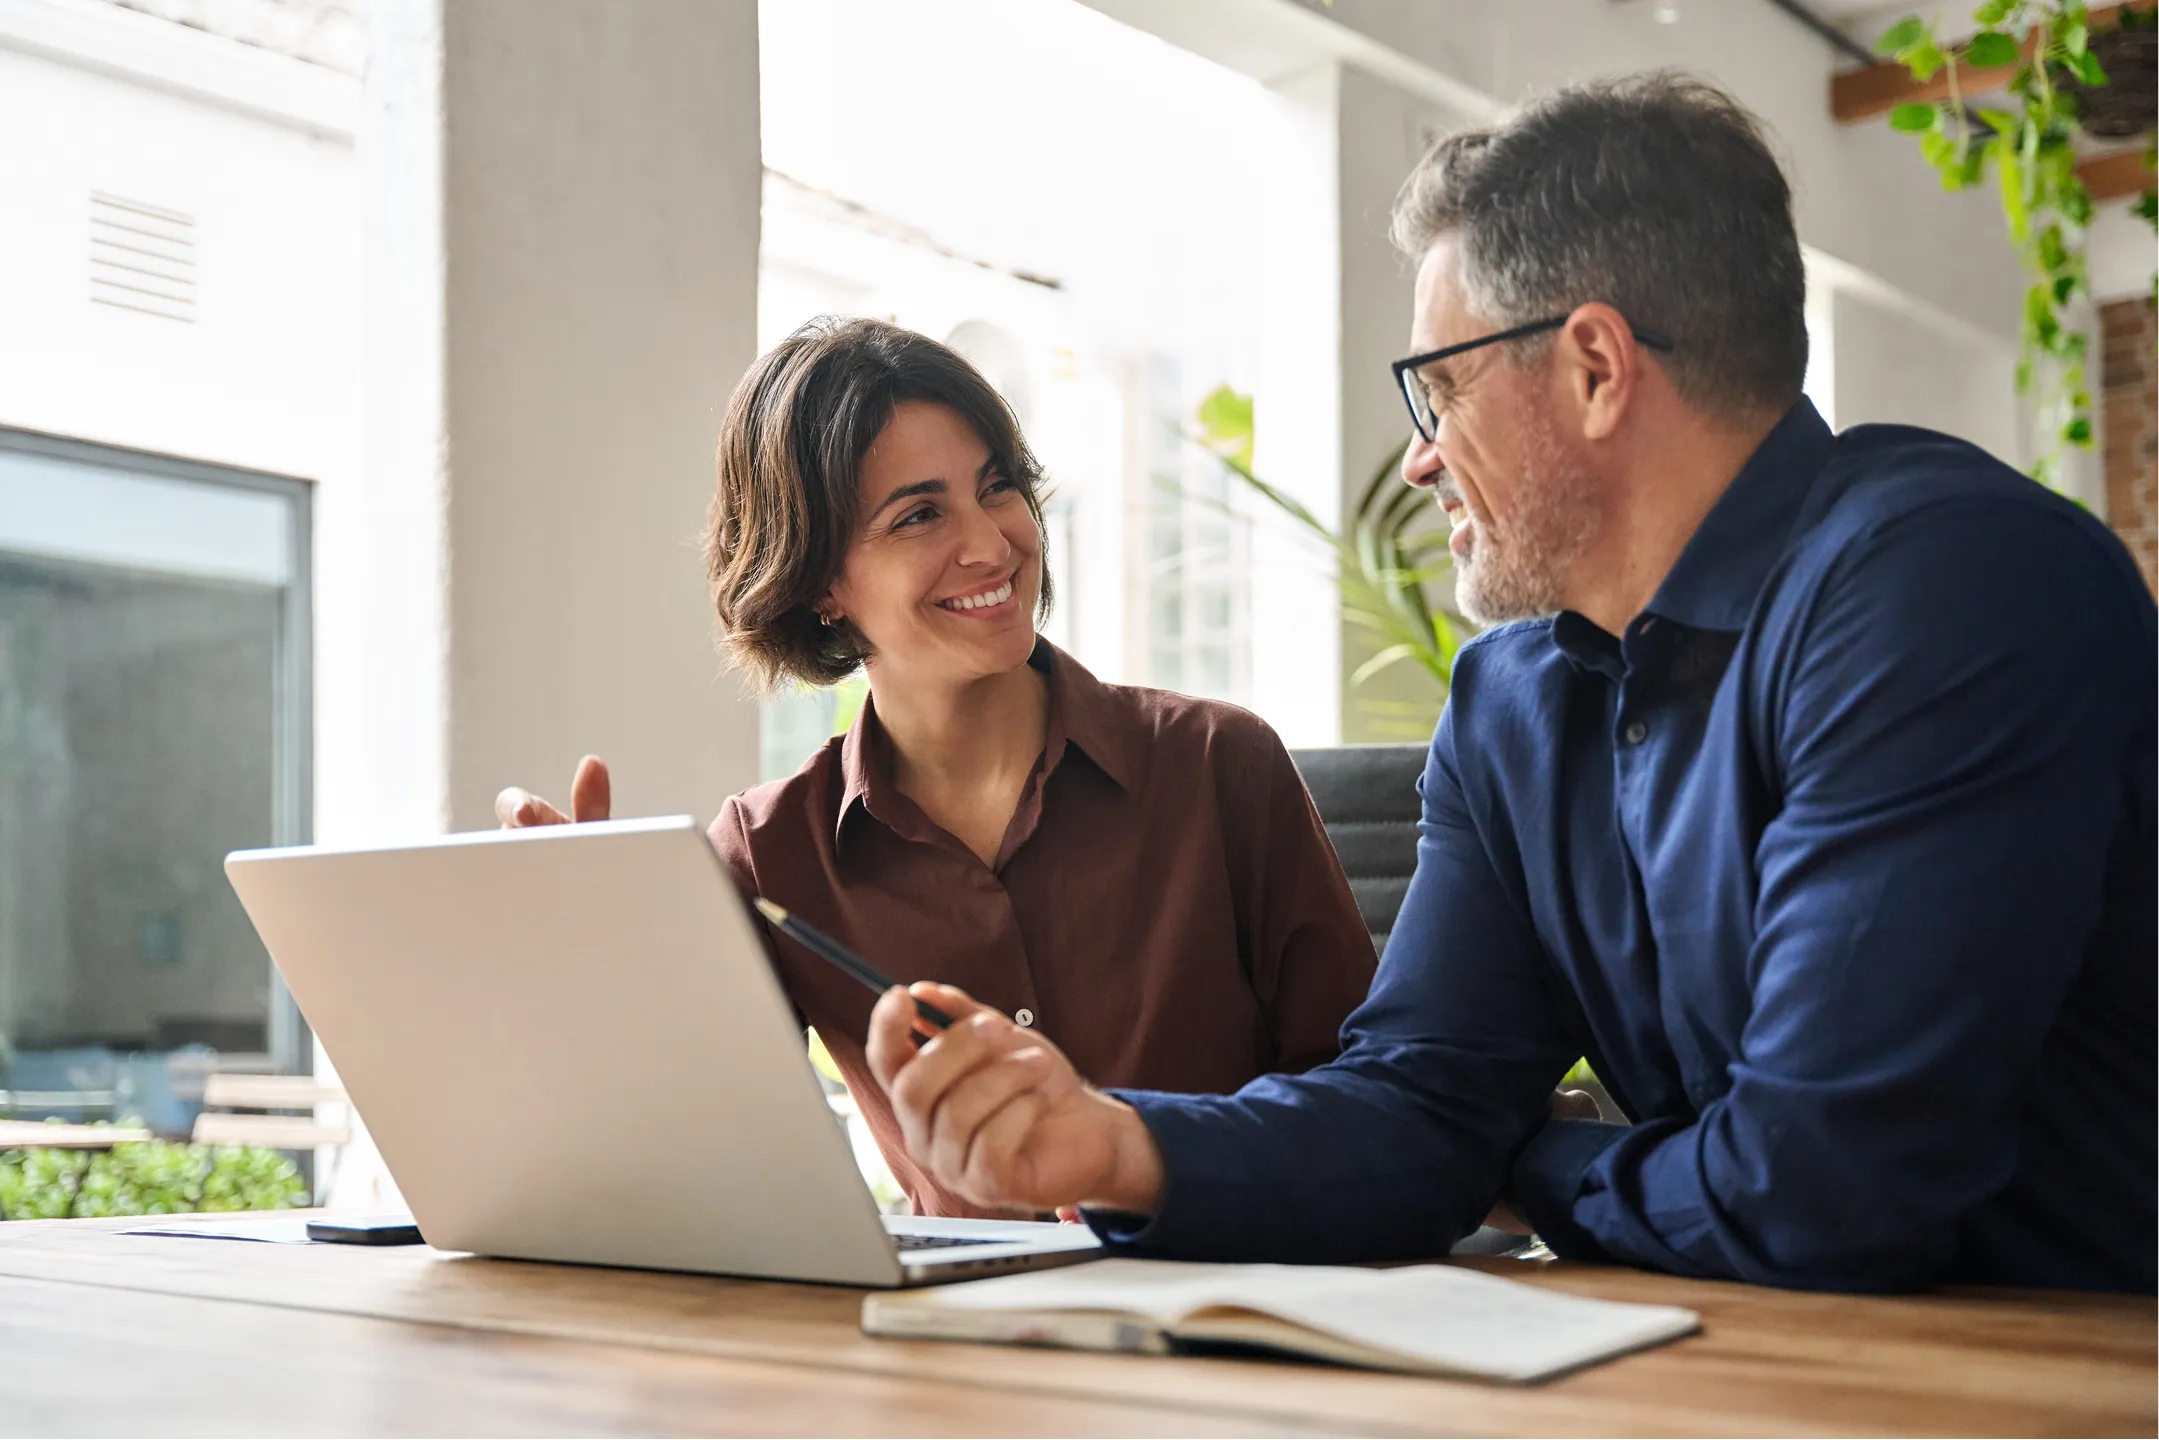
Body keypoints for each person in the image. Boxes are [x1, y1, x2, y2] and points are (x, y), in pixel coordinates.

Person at [861, 74, 2159, 1293]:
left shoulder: (1942, 590)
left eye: (1437, 391)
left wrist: (1509, 1164)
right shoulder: (1511, 703)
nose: (1418, 462)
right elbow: (1419, 1098)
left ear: (1593, 368)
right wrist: (1106, 1148)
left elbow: (1821, 1188)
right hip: (1760, 1371)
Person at [497, 317, 1377, 1217]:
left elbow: (1373, 1111)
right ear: (819, 585)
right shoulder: (770, 855)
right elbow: (690, 1150)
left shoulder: (1216, 766)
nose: (994, 546)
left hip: (1239, 1314)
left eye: (997, 489)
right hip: (950, 1344)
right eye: (919, 514)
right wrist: (595, 950)